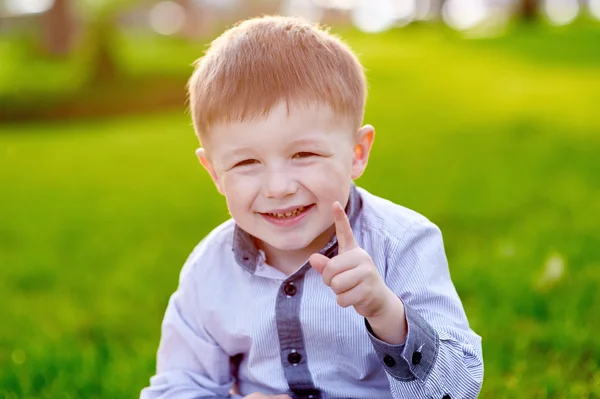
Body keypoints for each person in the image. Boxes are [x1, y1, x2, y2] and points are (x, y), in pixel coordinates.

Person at [140, 15, 483, 399]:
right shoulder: (209, 270)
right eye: (246, 163)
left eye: (303, 154)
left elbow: (460, 389)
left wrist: (387, 314)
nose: (279, 187)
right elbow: (177, 387)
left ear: (357, 153)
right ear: (215, 173)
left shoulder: (402, 244)